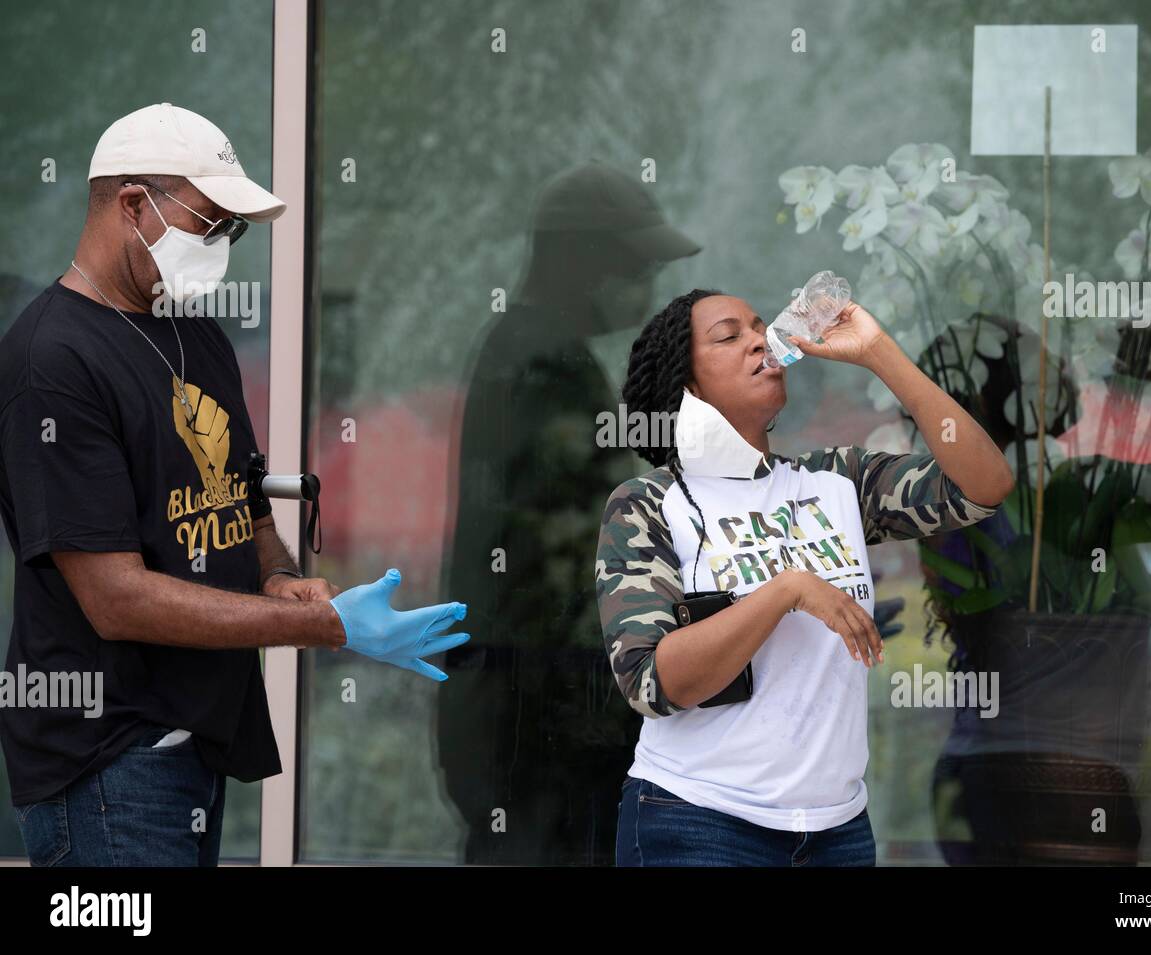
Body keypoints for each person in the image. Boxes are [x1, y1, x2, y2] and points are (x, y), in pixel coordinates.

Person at [0, 104, 467, 867]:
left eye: (232, 230)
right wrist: (326, 629)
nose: (221, 246)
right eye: (209, 223)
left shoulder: (196, 333)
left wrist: (281, 576)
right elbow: (115, 598)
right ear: (132, 205)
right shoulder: (51, 361)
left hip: (196, 747)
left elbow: (242, 503)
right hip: (109, 762)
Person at [595, 289, 1014, 866]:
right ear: (686, 385)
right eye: (728, 336)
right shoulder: (648, 504)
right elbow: (651, 683)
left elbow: (984, 485)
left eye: (759, 327)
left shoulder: (838, 480)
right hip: (697, 822)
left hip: (837, 833)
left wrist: (879, 353)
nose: (758, 340)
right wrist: (787, 591)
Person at [435, 161, 699, 864]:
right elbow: (589, 556)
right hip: (538, 712)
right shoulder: (545, 362)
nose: (647, 286)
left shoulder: (531, 350)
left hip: (521, 705)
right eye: (637, 265)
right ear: (586, 264)